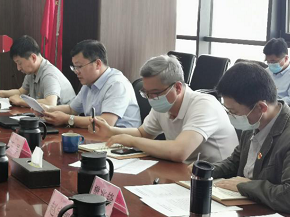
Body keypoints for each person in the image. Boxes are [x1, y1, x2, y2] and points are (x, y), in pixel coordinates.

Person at [212, 62, 290, 216]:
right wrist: (205, 171)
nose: (231, 116)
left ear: (261, 107)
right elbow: (235, 162)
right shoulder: (253, 123)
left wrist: (245, 186)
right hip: (254, 208)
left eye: (234, 112)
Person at [91, 55, 238, 163]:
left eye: (155, 93)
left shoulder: (204, 105)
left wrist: (132, 141)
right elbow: (143, 133)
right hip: (184, 170)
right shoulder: (163, 103)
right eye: (146, 93)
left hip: (218, 178)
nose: (151, 98)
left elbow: (179, 151)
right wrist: (111, 131)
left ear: (178, 87)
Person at [41, 39, 141, 128]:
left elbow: (106, 121)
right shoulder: (89, 82)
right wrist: (47, 109)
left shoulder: (117, 84)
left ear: (97, 64)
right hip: (98, 137)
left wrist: (68, 119)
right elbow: (72, 109)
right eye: (74, 67)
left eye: (79, 66)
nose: (76, 71)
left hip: (123, 140)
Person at [0, 35, 76, 106]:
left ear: (33, 58)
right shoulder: (32, 72)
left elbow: (50, 102)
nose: (18, 68)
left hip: (67, 123)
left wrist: (21, 101)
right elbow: (21, 92)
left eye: (20, 63)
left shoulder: (49, 74)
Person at [263, 37, 290, 105]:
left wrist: (271, 103)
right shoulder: (266, 72)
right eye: (268, 61)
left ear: (286, 58)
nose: (270, 64)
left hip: (282, 108)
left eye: (273, 61)